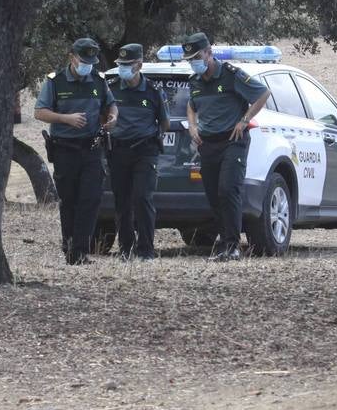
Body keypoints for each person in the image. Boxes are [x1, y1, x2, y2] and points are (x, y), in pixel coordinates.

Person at [183, 32, 270, 261]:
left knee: (228, 190)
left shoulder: (231, 75)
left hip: (233, 142)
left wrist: (244, 120)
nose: (194, 61)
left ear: (209, 53)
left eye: (197, 56)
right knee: (214, 195)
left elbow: (262, 94)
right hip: (208, 144)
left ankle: (232, 246)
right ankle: (224, 244)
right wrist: (192, 126)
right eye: (190, 58)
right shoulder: (195, 82)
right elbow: (191, 106)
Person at [34, 38, 118, 264]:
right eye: (83, 60)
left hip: (92, 148)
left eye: (91, 61)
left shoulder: (99, 81)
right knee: (69, 200)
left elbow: (110, 104)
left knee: (90, 200)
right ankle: (69, 246)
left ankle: (80, 251)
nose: (87, 65)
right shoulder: (55, 82)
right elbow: (39, 112)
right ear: (72, 57)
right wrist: (65, 119)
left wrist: (113, 117)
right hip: (65, 149)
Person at [105, 43, 170, 260]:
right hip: (118, 150)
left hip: (145, 151)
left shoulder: (153, 91)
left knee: (142, 198)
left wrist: (149, 135)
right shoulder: (111, 88)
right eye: (120, 64)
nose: (123, 68)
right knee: (122, 201)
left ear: (139, 65)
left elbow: (165, 122)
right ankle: (126, 249)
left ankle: (146, 250)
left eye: (128, 64)